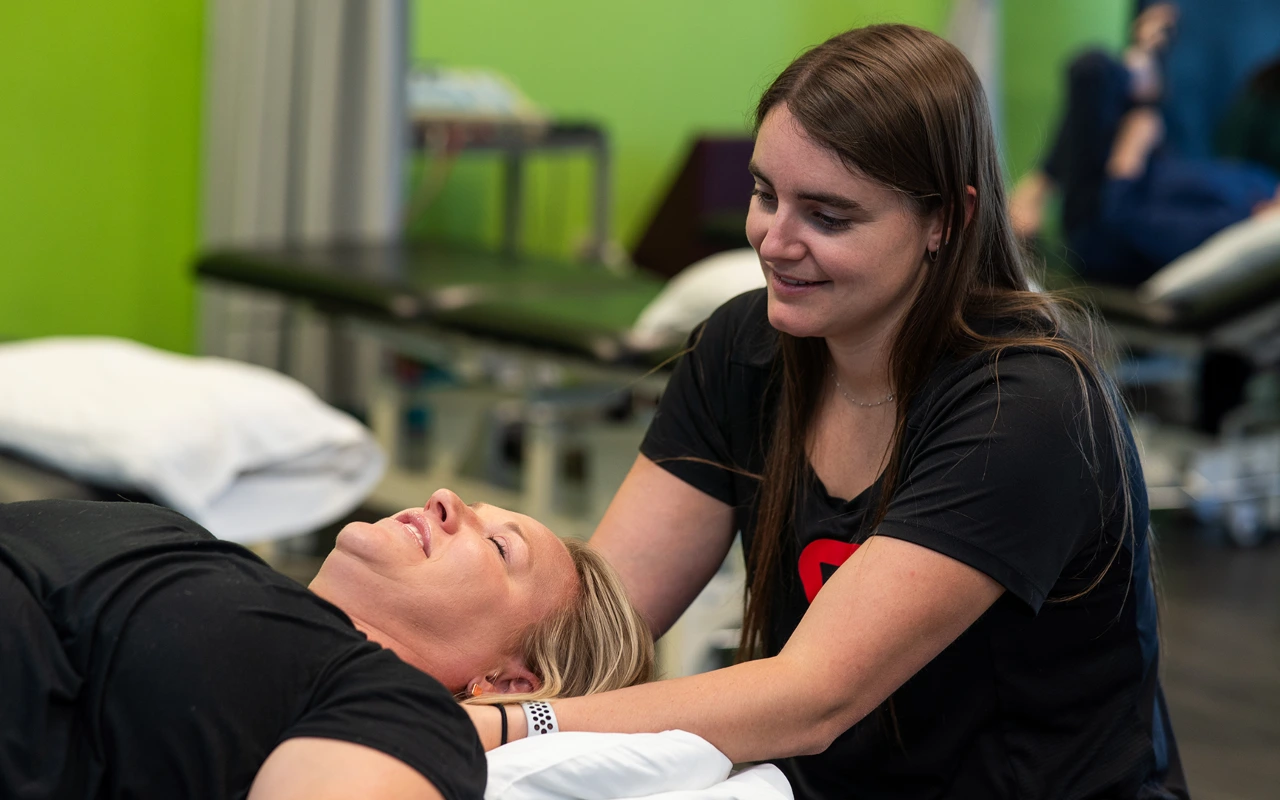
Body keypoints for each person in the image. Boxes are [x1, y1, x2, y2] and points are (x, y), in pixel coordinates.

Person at [466, 23, 1190, 800]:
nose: (773, 242)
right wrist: (422, 680)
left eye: (828, 217)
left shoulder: (1029, 411)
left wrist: (505, 725)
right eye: (764, 195)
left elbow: (811, 699)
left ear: (945, 219)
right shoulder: (743, 349)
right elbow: (596, 628)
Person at [0, 489, 653, 800]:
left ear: (507, 683)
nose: (445, 498)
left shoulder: (395, 712)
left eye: (499, 545)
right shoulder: (198, 546)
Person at [1009, 2, 1279, 286]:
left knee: (1092, 71)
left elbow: (1125, 218)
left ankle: (1038, 187)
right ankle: (1145, 54)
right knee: (1115, 75)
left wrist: (1131, 149)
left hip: (1100, 219)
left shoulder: (1229, 222)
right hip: (1142, 167)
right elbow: (1178, 176)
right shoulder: (1262, 181)